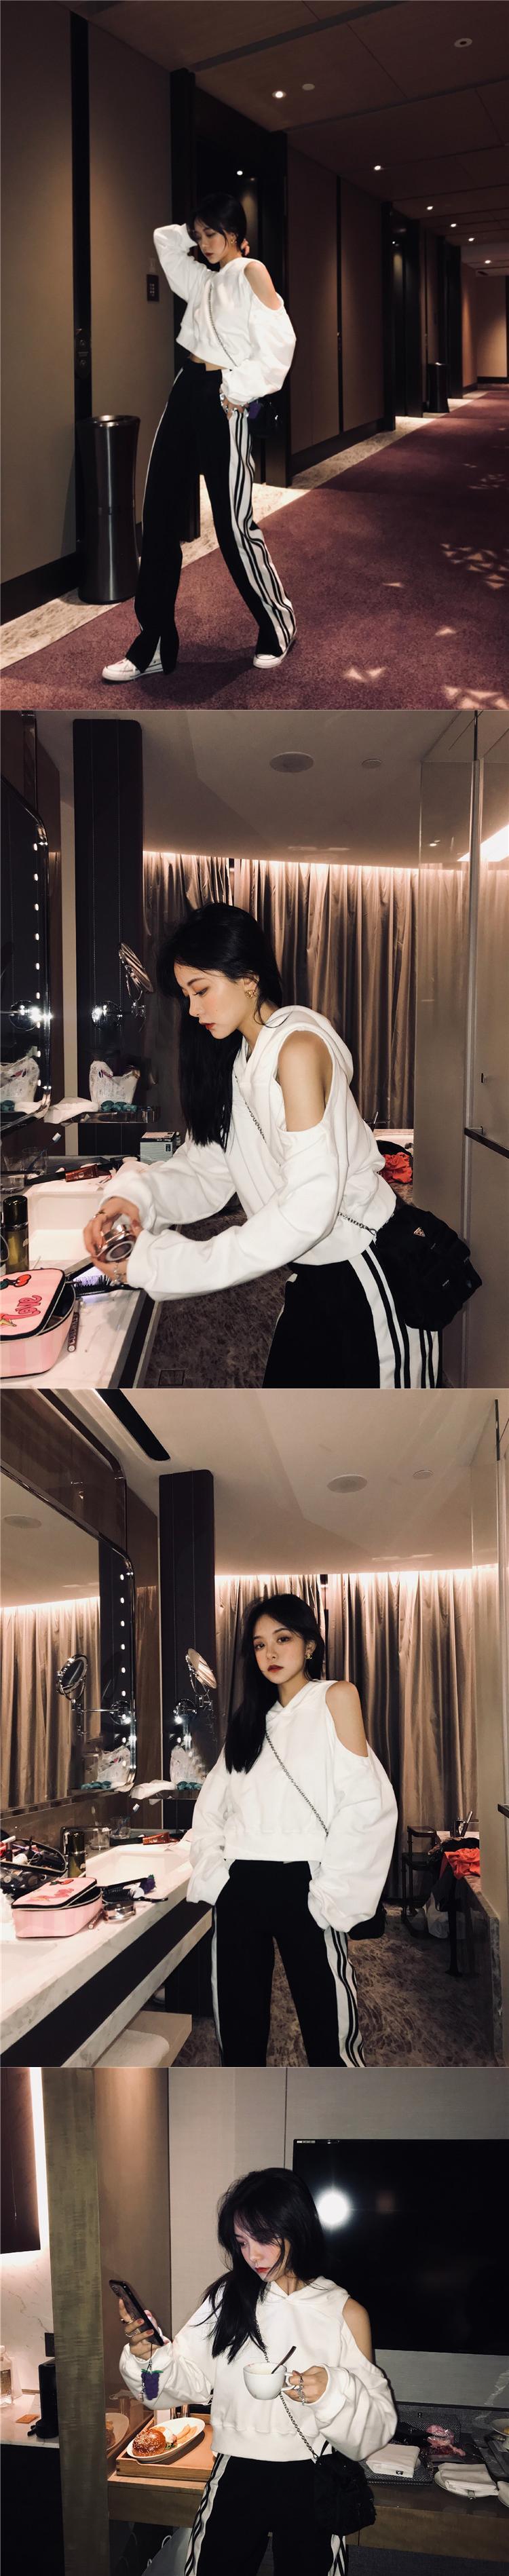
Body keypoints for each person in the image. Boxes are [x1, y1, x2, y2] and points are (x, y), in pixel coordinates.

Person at [83, 903, 440, 1388]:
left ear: (249, 978)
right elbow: (206, 1170)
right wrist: (134, 1199)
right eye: (187, 995)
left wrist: (166, 1262)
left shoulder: (298, 1048)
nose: (193, 1010)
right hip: (312, 1272)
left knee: (384, 1430)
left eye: (201, 990)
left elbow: (308, 1209)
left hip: (367, 1269)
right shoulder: (239, 1060)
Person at [118, 2165, 396, 2575]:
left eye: (264, 2239)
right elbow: (175, 2386)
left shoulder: (344, 2311)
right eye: (242, 2242)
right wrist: (148, 2359)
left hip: (312, 2472)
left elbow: (371, 2436)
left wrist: (332, 2391)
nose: (252, 2256)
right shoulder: (228, 2298)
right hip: (237, 2467)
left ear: (297, 2227)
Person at [186, 1595, 397, 2068]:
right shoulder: (247, 1721)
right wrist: (218, 1880)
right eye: (260, 1645)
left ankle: (338, 2116)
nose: (271, 1653)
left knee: (329, 2031)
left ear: (310, 1645)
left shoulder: (336, 1696)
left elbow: (364, 1802)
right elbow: (212, 1808)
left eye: (282, 1639)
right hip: (241, 1884)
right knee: (238, 2032)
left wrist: (331, 1894)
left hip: (306, 1881)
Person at [102, 193, 296, 685]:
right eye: (200, 235)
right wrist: (194, 240)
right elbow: (164, 240)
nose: (205, 243)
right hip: (186, 388)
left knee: (233, 523)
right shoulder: (203, 278)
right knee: (159, 516)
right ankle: (154, 643)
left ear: (236, 232)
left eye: (213, 233)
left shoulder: (251, 270)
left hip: (224, 393)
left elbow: (280, 344)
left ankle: (277, 622)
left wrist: (237, 390)